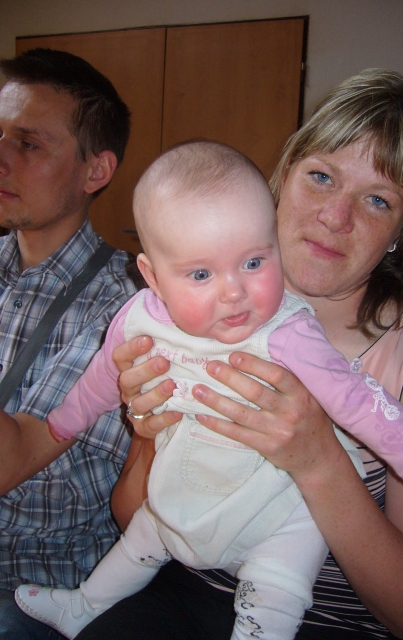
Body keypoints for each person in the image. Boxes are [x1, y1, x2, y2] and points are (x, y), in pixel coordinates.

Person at [76, 70, 403, 640]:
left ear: (399, 231)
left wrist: (318, 461)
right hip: (174, 590)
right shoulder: (190, 315)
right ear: (282, 177)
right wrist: (148, 433)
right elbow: (132, 515)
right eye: (321, 177)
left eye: (377, 200)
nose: (335, 217)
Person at [0, 48, 138, 639]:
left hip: (37, 587)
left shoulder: (122, 308)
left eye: (28, 143)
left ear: (95, 172)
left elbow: (10, 463)